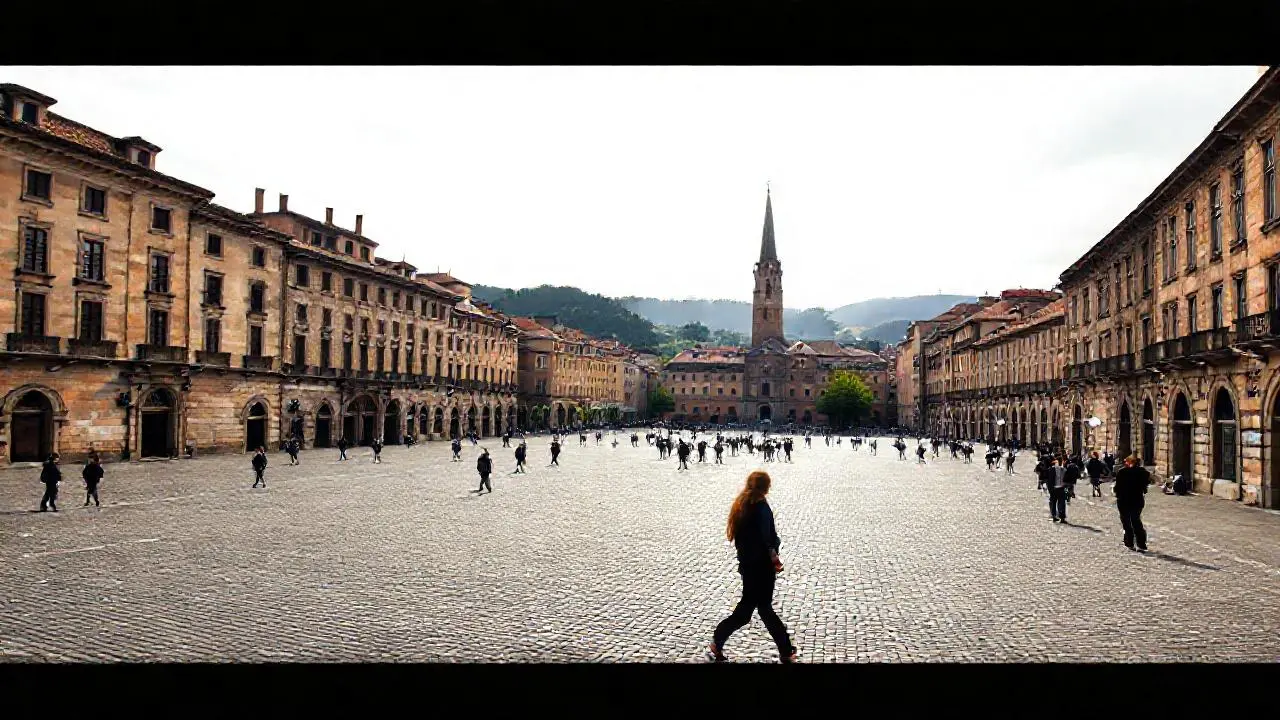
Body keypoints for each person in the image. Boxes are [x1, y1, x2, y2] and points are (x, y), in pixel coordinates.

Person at [708, 471, 797, 664]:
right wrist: (774, 551)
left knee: (747, 611)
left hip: (748, 566)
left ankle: (718, 640)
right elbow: (767, 538)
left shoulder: (742, 504)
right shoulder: (761, 507)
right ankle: (786, 651)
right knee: (763, 609)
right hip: (762, 567)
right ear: (766, 487)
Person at [1112, 455, 1150, 551]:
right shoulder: (1143, 472)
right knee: (1136, 521)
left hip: (1124, 500)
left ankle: (1129, 542)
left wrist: (1116, 493)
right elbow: (1146, 486)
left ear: (1129, 462)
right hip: (1137, 500)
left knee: (1126, 522)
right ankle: (1141, 544)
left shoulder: (1122, 472)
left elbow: (1117, 487)